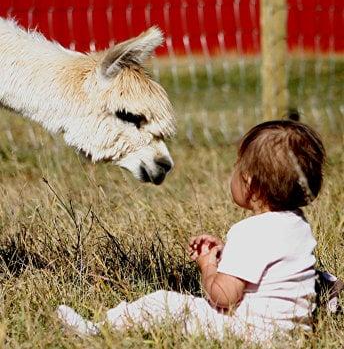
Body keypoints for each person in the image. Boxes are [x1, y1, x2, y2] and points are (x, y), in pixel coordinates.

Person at [57, 120, 342, 343]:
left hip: (249, 334)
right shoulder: (298, 225)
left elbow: (224, 297)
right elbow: (269, 266)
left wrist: (209, 267)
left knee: (164, 303)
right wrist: (228, 254)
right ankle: (328, 295)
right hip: (291, 335)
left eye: (236, 167)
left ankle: (98, 329)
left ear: (250, 183)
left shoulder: (250, 232)